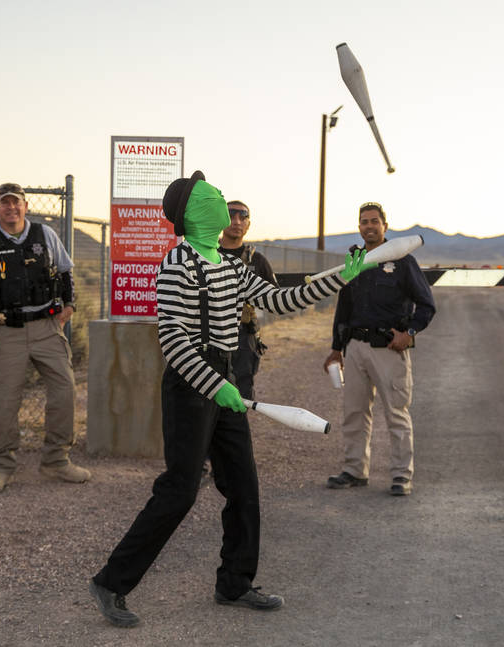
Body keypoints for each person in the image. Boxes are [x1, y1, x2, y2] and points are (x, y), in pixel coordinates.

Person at [88, 171, 375, 628]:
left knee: (243, 487)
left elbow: (281, 299)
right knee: (179, 492)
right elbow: (173, 341)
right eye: (213, 195)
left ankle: (235, 583)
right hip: (190, 386)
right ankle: (111, 582)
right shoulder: (175, 264)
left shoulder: (230, 263)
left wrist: (342, 276)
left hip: (227, 378)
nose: (223, 198)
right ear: (195, 211)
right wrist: (214, 385)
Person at [0, 182, 89, 493]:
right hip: (6, 331)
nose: (11, 208)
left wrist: (69, 305)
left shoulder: (45, 235)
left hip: (46, 328)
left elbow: (66, 271)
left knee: (64, 389)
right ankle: (3, 466)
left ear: (25, 206)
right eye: (5, 203)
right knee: (3, 401)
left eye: (16, 203)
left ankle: (56, 462)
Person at [322, 201, 436, 497]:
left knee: (396, 414)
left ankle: (401, 476)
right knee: (354, 413)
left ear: (384, 225)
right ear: (359, 226)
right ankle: (354, 470)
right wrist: (336, 349)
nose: (369, 226)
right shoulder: (354, 258)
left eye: (374, 221)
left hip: (388, 348)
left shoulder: (402, 260)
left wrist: (409, 333)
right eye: (364, 222)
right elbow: (344, 306)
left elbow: (427, 304)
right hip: (356, 348)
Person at [218, 200, 277, 400]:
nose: (236, 222)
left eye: (242, 218)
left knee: (241, 397)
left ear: (248, 224)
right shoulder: (208, 256)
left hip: (244, 338)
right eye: (231, 216)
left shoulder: (256, 261)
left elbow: (274, 298)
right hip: (212, 337)